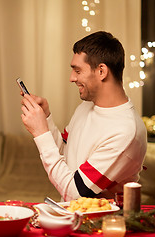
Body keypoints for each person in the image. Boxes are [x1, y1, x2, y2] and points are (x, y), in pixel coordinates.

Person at [20, 31, 147, 201]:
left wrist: (41, 134)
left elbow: (75, 194)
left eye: (78, 71)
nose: (72, 78)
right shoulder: (86, 107)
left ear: (101, 71)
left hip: (103, 224)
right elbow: (64, 155)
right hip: (74, 218)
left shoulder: (125, 132)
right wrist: (46, 118)